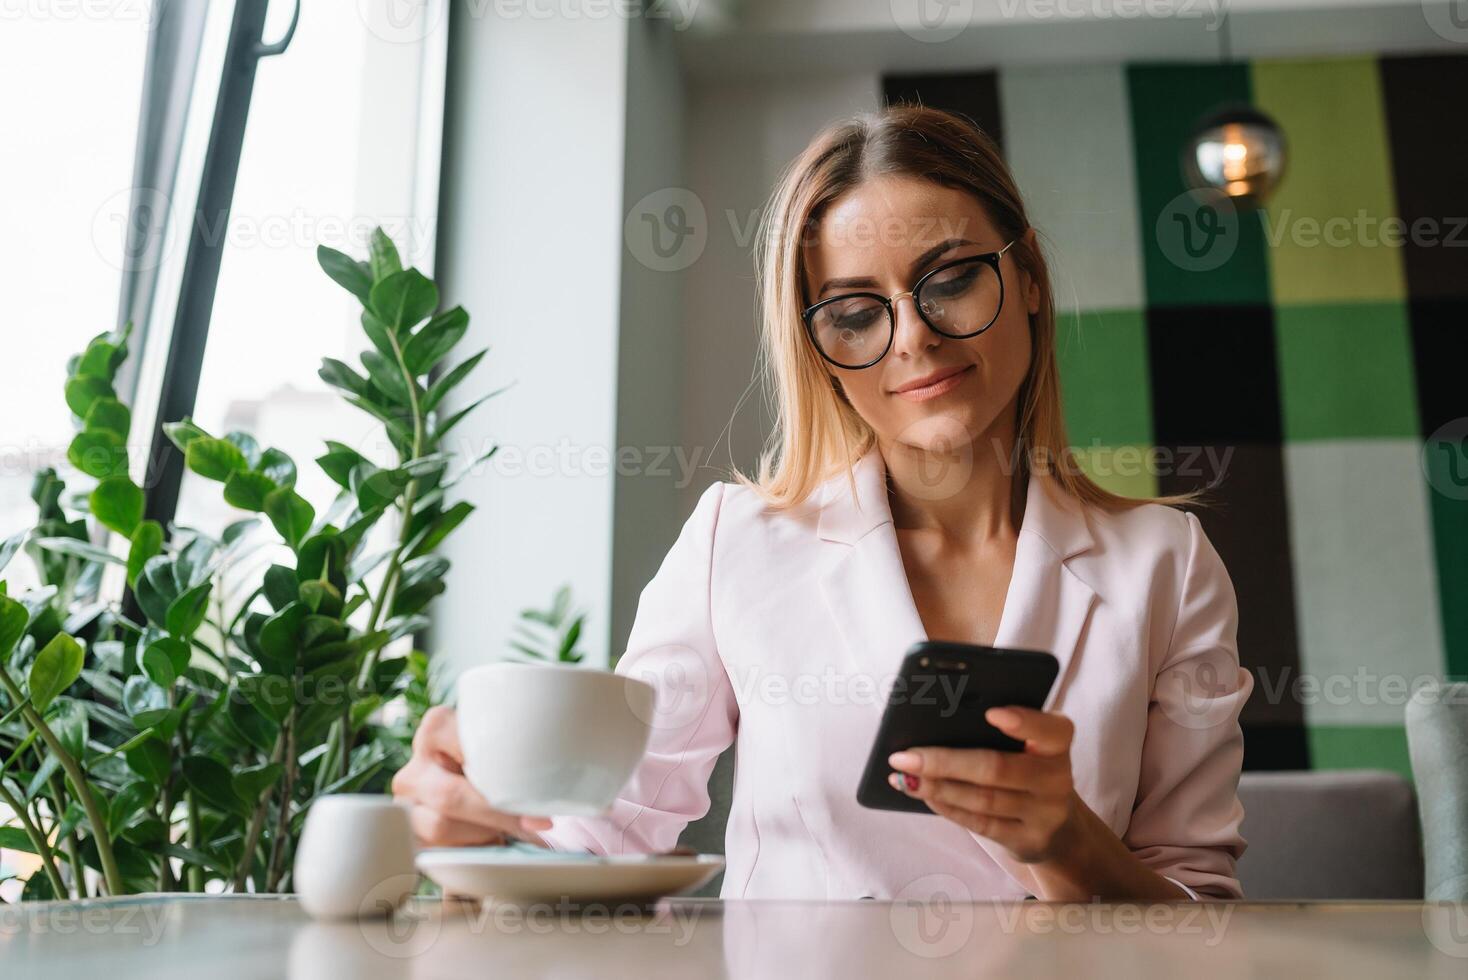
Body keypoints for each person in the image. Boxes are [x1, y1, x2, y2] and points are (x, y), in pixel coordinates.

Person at [393, 104, 1253, 901]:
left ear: (1027, 276)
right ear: (820, 346)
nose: (913, 336)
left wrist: (1068, 842)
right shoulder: (740, 542)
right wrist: (478, 839)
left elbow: (1202, 916)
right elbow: (596, 838)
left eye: (950, 280)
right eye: (854, 311)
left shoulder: (1166, 564)